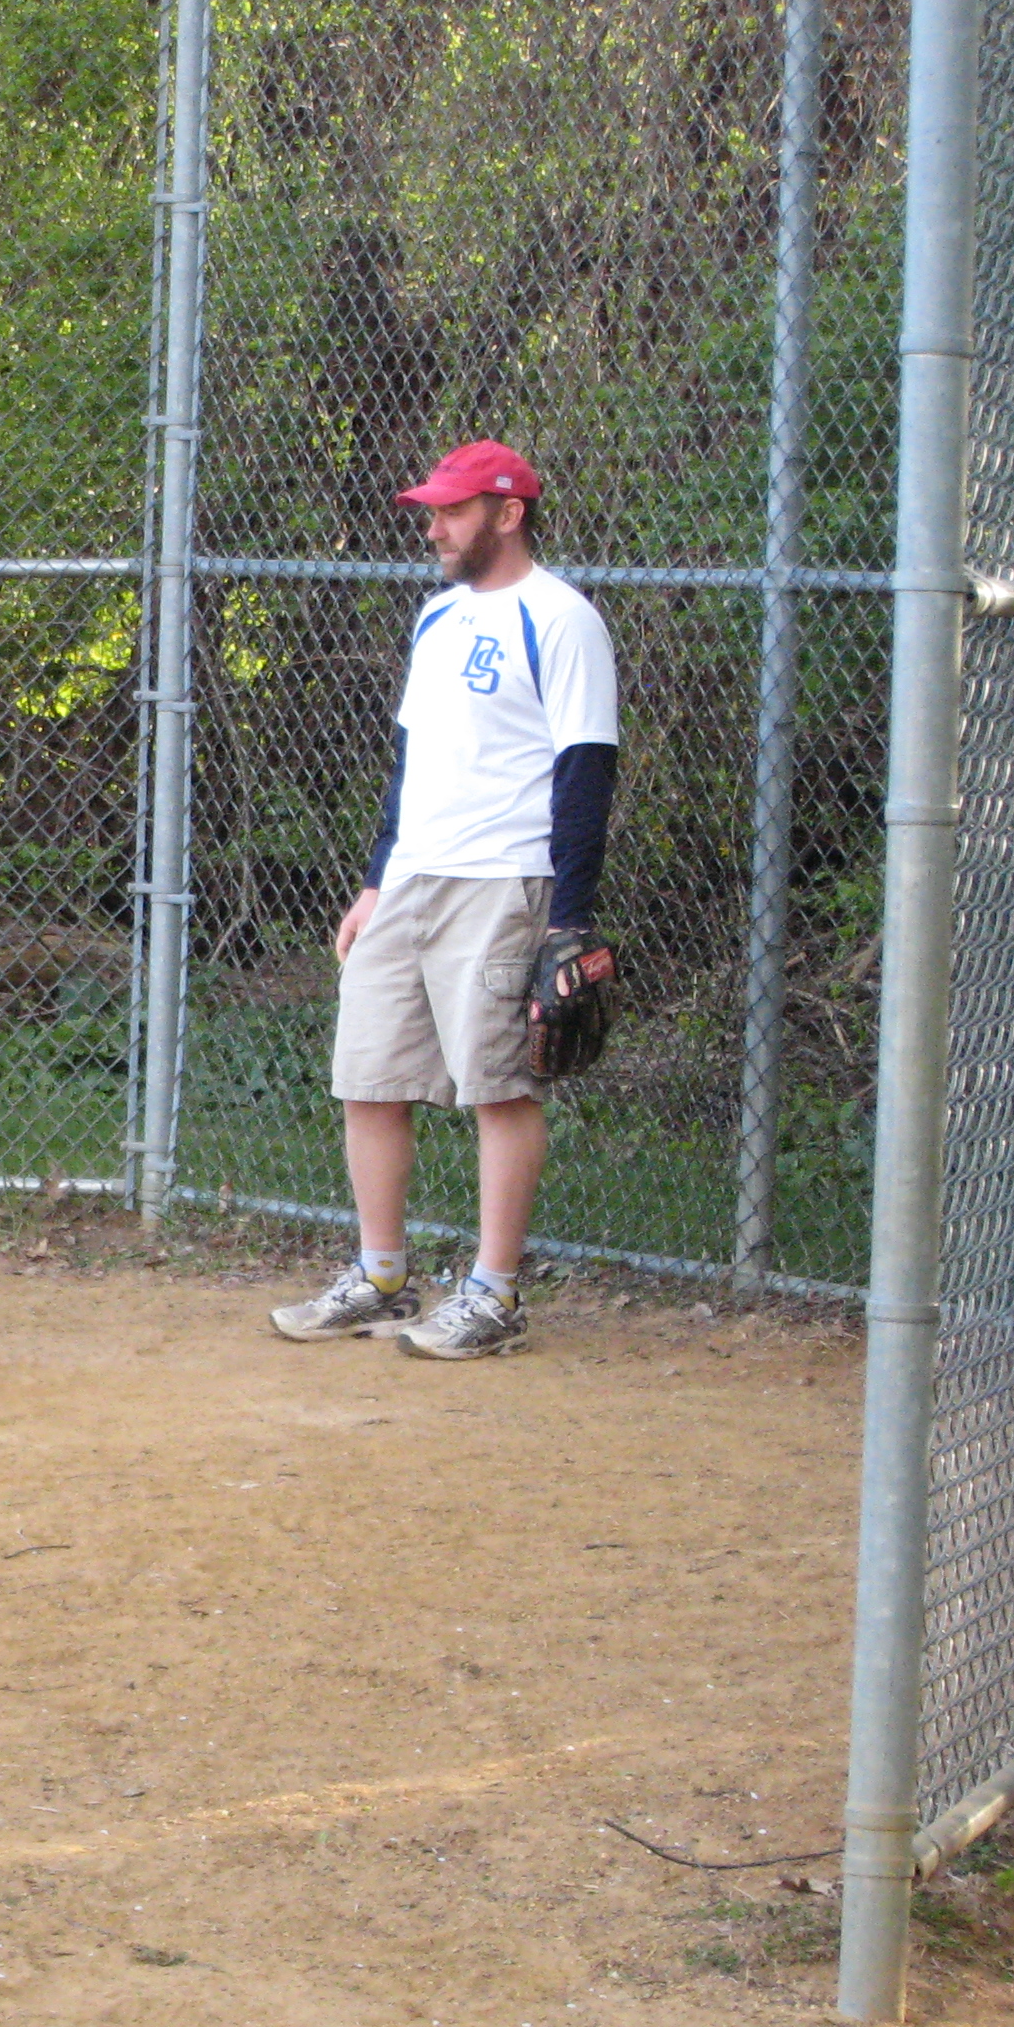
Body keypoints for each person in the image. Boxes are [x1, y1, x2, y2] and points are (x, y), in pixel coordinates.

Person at [268, 440, 619, 1360]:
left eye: (454, 511)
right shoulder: (438, 616)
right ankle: (381, 1277)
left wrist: (569, 920)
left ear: (509, 513)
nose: (435, 528)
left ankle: (493, 1295)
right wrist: (377, 880)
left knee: (498, 1087)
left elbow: (586, 772)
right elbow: (410, 761)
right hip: (413, 878)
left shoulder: (561, 618)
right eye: (432, 511)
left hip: (504, 879)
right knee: (369, 1079)